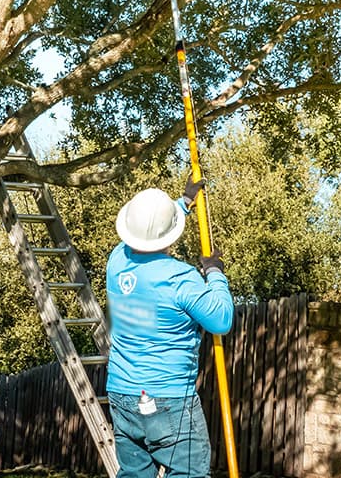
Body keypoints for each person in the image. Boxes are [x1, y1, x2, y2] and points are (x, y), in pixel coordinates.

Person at [104, 180, 234, 478]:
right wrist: (214, 274)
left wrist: (183, 204)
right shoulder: (180, 278)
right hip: (168, 398)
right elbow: (221, 320)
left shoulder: (116, 261)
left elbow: (147, 232)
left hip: (122, 394)